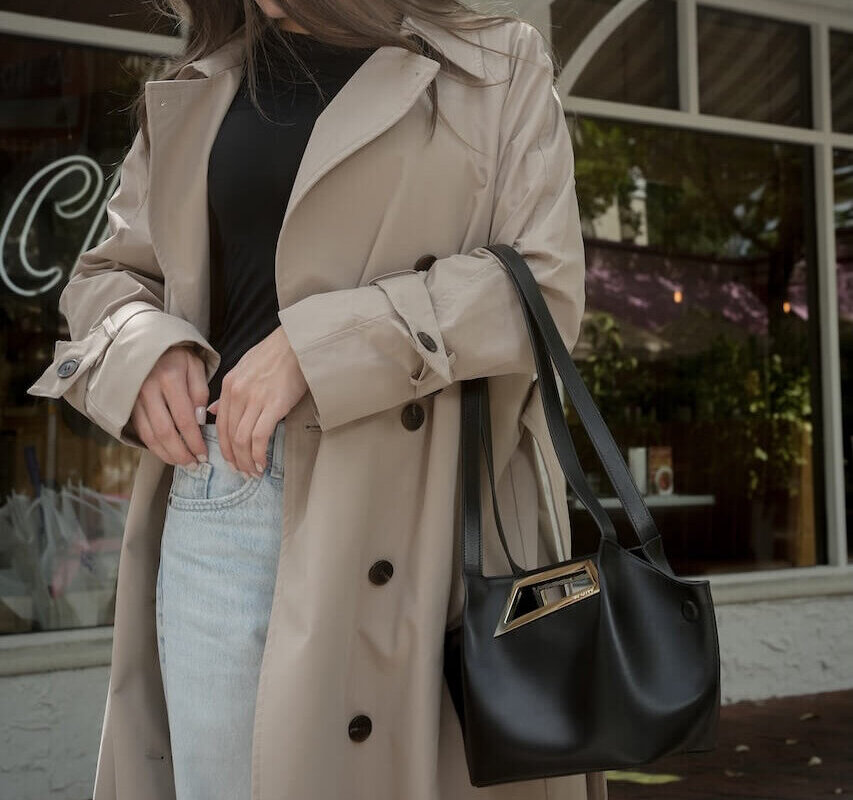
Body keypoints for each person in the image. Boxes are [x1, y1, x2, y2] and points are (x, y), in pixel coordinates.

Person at [28, 2, 605, 799]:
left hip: (434, 513)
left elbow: (542, 288)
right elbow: (109, 276)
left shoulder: (494, 61)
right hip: (227, 495)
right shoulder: (205, 78)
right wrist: (145, 350)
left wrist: (321, 345)